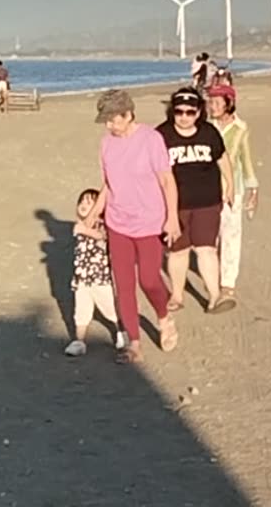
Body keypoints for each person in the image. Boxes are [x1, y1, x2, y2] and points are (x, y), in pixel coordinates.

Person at [87, 89, 180, 364]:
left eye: (113, 120)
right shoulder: (106, 144)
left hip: (150, 221)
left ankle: (164, 317)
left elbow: (167, 181)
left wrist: (172, 217)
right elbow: (109, 183)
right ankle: (134, 343)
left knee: (149, 279)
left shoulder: (151, 139)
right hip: (118, 222)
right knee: (124, 286)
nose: (109, 126)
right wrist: (95, 211)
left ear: (128, 115)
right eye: (106, 120)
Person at [156, 87, 234, 313]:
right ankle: (177, 295)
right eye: (179, 112)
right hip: (175, 206)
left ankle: (215, 297)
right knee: (178, 251)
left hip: (207, 202)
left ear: (199, 112)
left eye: (190, 112)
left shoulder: (208, 132)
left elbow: (222, 158)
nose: (184, 117)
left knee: (206, 249)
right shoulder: (162, 135)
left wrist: (230, 184)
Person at [207, 84, 258, 310]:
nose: (212, 105)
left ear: (229, 103)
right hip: (205, 191)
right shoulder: (205, 127)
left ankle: (227, 283)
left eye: (217, 102)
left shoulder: (240, 128)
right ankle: (211, 276)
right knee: (209, 239)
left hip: (231, 190)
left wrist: (253, 190)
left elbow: (245, 160)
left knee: (230, 237)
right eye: (210, 101)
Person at [65, 188, 128, 357]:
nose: (84, 205)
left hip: (101, 278)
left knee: (111, 309)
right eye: (82, 202)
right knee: (81, 312)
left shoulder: (104, 226)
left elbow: (102, 236)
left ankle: (120, 332)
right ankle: (79, 341)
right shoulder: (78, 226)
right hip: (82, 279)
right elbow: (85, 231)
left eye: (90, 202)